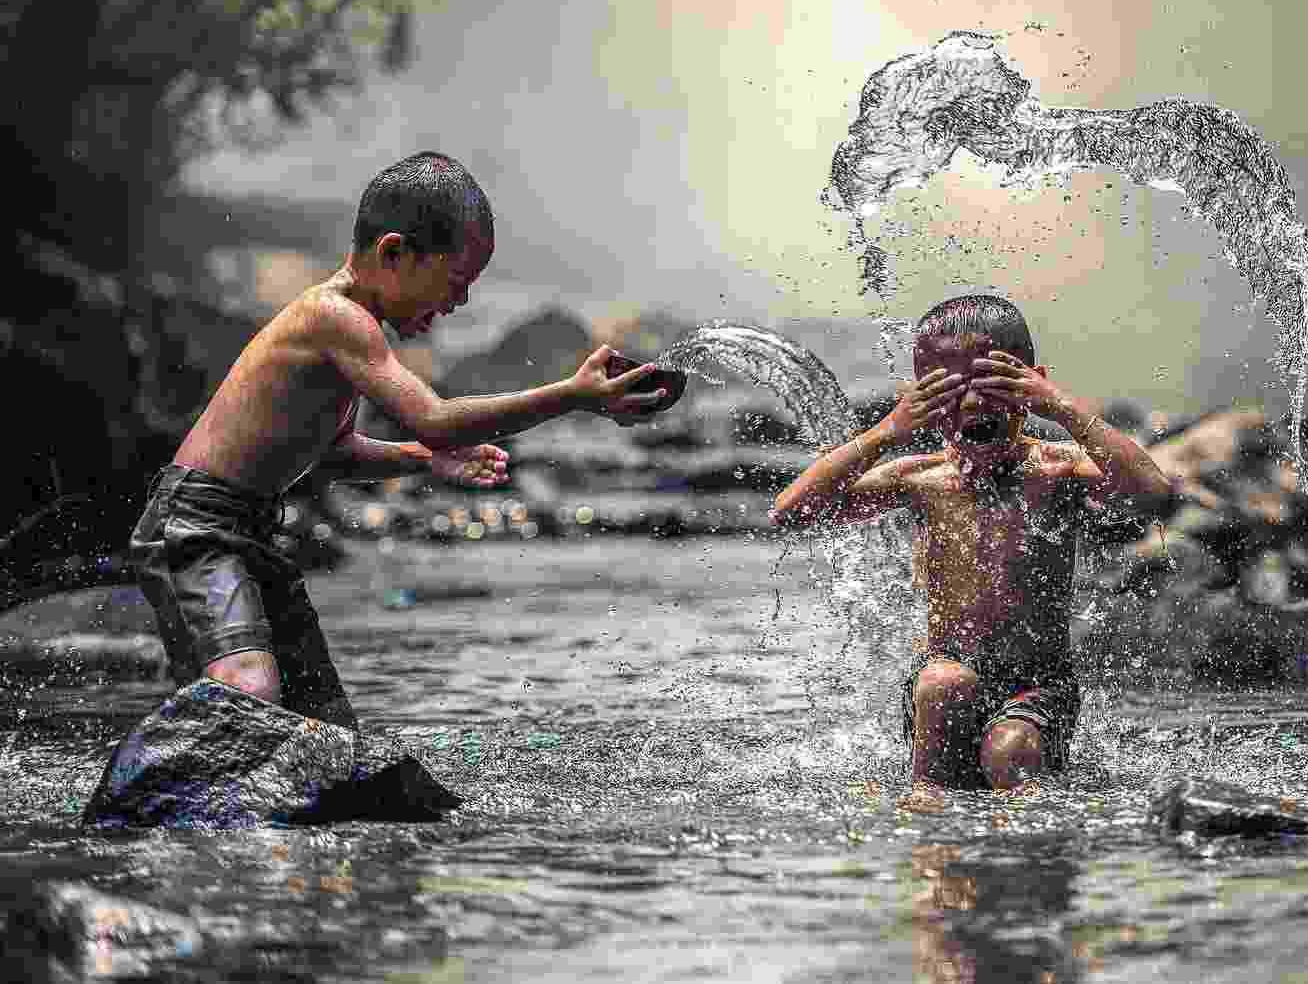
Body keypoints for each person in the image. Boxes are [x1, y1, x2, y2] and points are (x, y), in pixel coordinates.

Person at [132, 152, 684, 728]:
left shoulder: (347, 332)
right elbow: (436, 418)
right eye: (456, 282)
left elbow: (334, 452)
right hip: (196, 527)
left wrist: (424, 461)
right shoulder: (334, 317)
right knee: (248, 687)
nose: (459, 302)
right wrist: (572, 395)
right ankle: (150, 798)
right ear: (393, 253)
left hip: (250, 532)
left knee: (324, 726)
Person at [770, 295, 1172, 805]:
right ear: (918, 399)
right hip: (941, 682)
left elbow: (1154, 493)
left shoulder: (1057, 471)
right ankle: (930, 819)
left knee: (1011, 752)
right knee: (944, 684)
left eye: (990, 383)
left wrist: (1064, 408)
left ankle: (1020, 850)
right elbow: (791, 511)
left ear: (1032, 384)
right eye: (946, 390)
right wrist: (886, 432)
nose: (972, 405)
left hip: (1039, 686)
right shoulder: (920, 478)